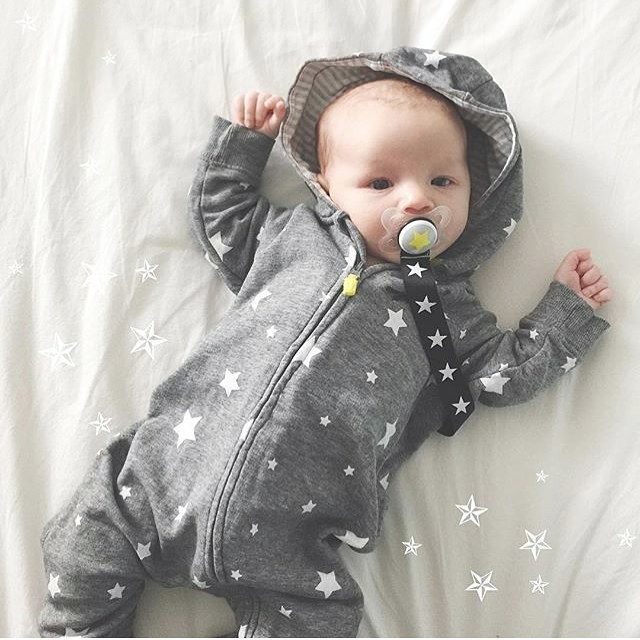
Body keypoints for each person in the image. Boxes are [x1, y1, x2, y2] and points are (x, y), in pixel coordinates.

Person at [38, 46, 612, 638]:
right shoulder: (293, 238)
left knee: (322, 621)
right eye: (381, 182)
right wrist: (245, 146)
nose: (417, 200)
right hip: (162, 481)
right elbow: (224, 220)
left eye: (443, 180)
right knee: (82, 545)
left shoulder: (445, 310)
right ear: (329, 186)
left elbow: (500, 374)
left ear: (478, 194)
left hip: (293, 539)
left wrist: (563, 315)